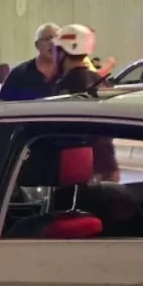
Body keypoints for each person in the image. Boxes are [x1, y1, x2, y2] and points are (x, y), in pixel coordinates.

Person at [51, 23, 120, 182]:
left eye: (56, 50)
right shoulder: (101, 83)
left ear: (63, 52)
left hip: (77, 170)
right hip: (107, 166)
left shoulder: (63, 88)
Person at [0, 23, 60, 101]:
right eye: (47, 39)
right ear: (37, 45)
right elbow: (2, 105)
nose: (53, 43)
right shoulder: (19, 74)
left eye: (57, 39)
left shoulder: (67, 73)